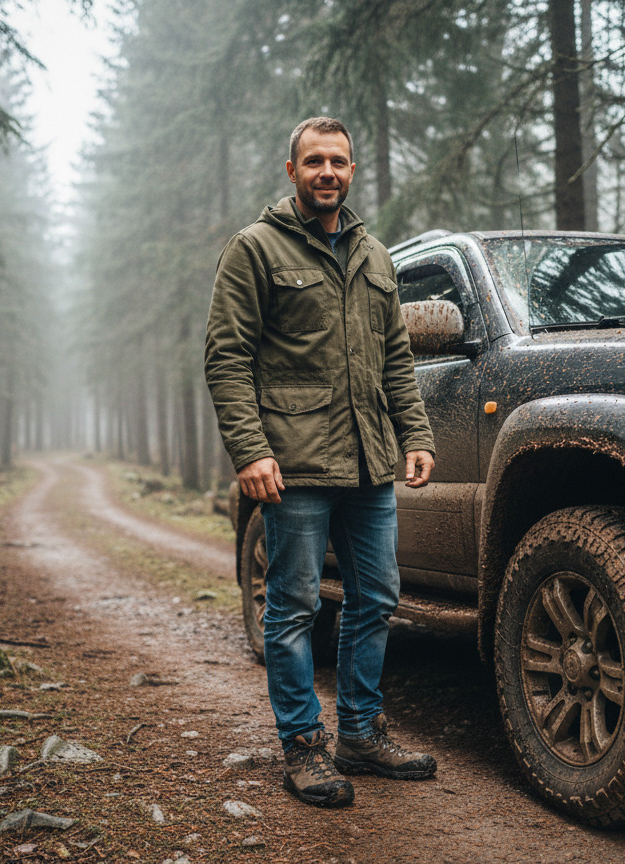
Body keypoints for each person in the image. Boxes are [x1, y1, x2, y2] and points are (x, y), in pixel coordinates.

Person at [204, 117, 437, 807]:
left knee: (377, 600)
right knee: (295, 606)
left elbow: (395, 358)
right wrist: (250, 451)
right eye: (315, 162)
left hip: (370, 466)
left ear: (353, 169)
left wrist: (415, 436)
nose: (327, 172)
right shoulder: (255, 249)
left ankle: (361, 733)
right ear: (292, 170)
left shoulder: (374, 256)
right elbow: (227, 357)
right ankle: (304, 746)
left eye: (338, 161)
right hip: (295, 466)